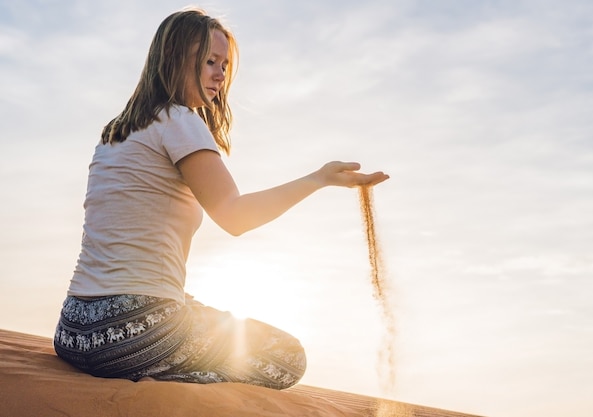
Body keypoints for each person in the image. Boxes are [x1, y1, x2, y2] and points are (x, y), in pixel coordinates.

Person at [53, 7, 389, 390]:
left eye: (225, 64)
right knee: (286, 356)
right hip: (131, 333)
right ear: (174, 59)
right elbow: (234, 216)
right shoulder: (179, 121)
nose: (219, 74)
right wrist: (319, 178)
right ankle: (168, 393)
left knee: (201, 314)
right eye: (209, 61)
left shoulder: (116, 132)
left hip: (75, 330)